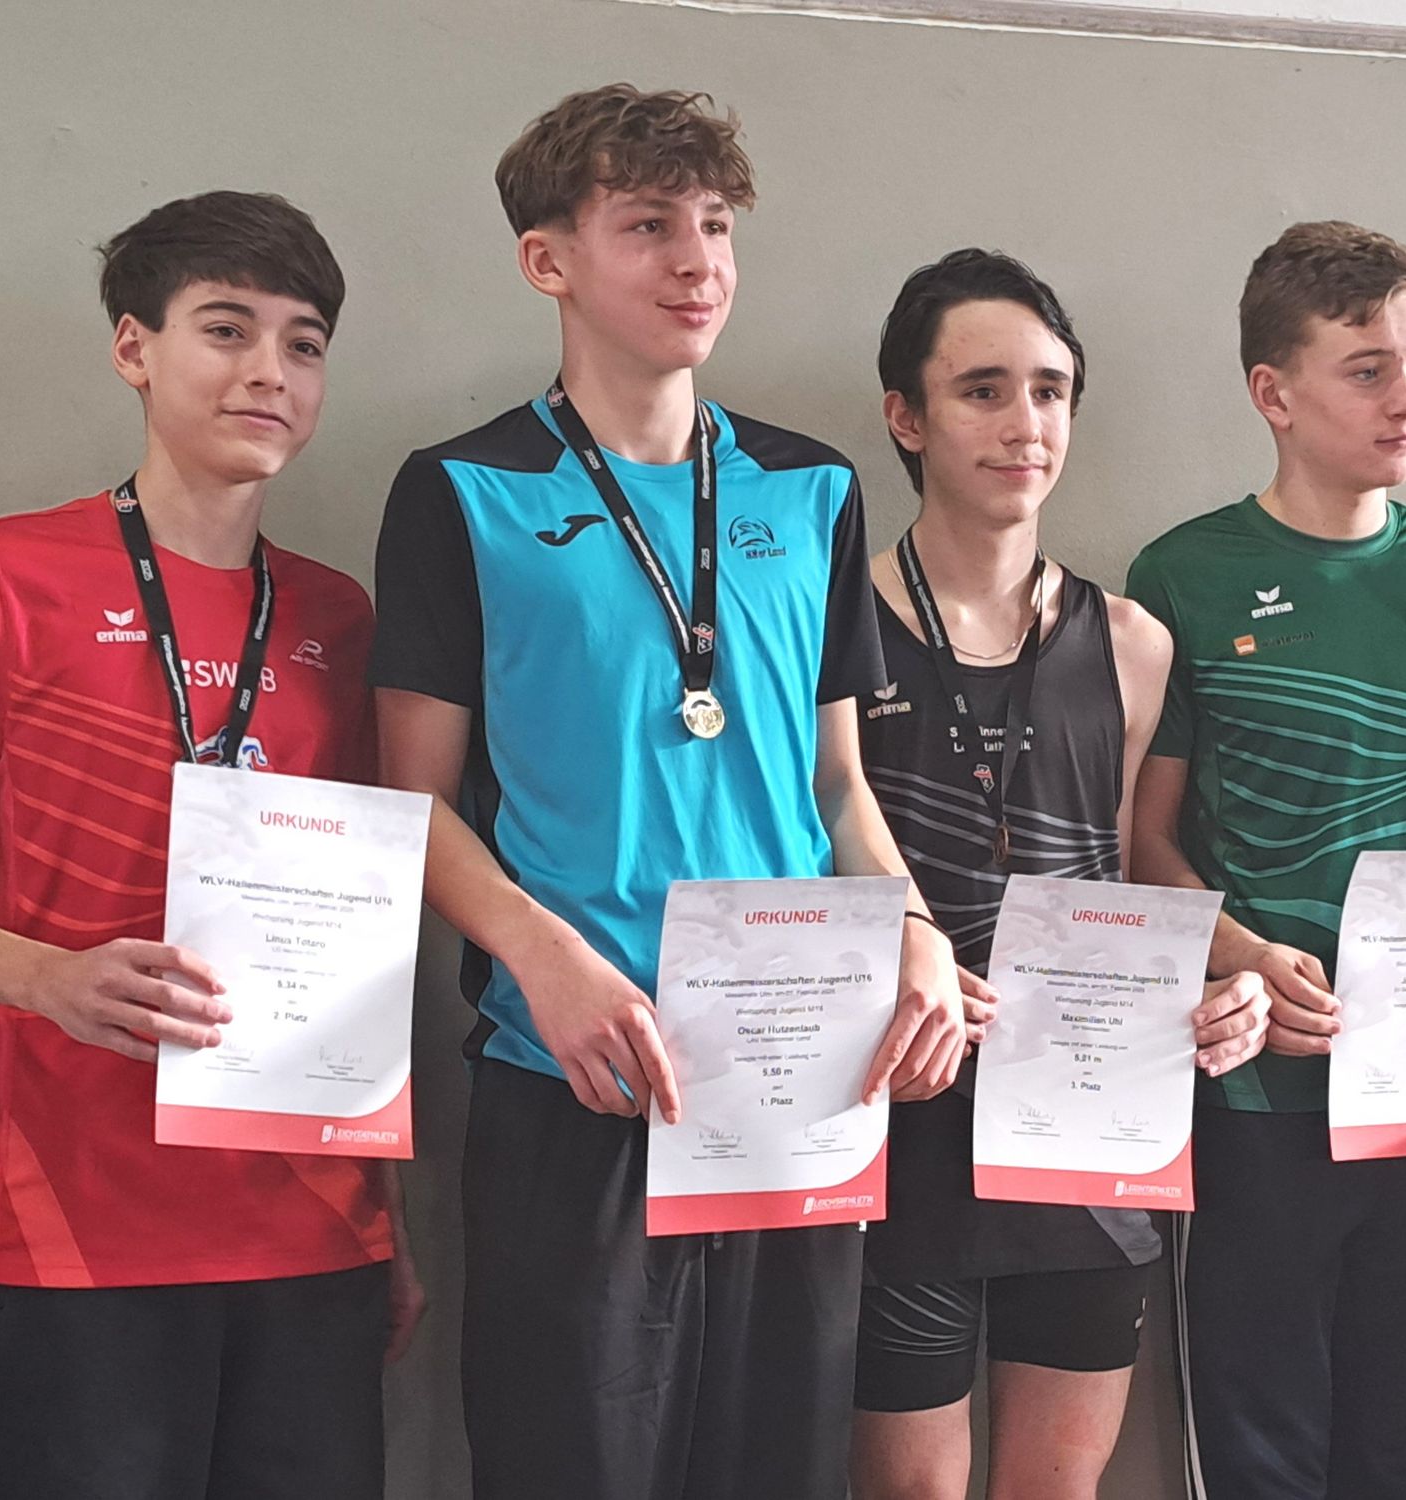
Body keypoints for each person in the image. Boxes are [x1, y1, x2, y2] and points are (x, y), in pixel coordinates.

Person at [368, 84, 968, 1500]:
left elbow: (837, 782)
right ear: (548, 259)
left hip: (791, 1075)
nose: (698, 261)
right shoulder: (464, 491)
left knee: (779, 1467)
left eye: (715, 225)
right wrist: (544, 961)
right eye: (648, 226)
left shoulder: (813, 490)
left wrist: (917, 930)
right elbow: (412, 806)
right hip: (576, 1073)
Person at [0, 190, 422, 1500]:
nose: (269, 372)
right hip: (62, 1237)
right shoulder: (2, 579)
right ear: (135, 347)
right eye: (227, 329)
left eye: (304, 344)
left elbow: (367, 941)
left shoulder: (340, 618)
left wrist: (386, 1217)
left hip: (311, 1240)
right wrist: (45, 977)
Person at [1125, 220, 1406, 1500]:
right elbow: (1142, 839)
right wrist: (1245, 955)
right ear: (1274, 393)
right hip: (1258, 1093)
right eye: (1368, 370)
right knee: (1262, 1455)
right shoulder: (1184, 574)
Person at [848, 248, 1271, 1500]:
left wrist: (1229, 978)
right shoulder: (830, 630)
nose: (1024, 423)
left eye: (1050, 390)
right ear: (907, 417)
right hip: (898, 1112)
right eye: (982, 390)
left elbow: (1135, 877)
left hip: (1084, 1126)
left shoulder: (1132, 641)